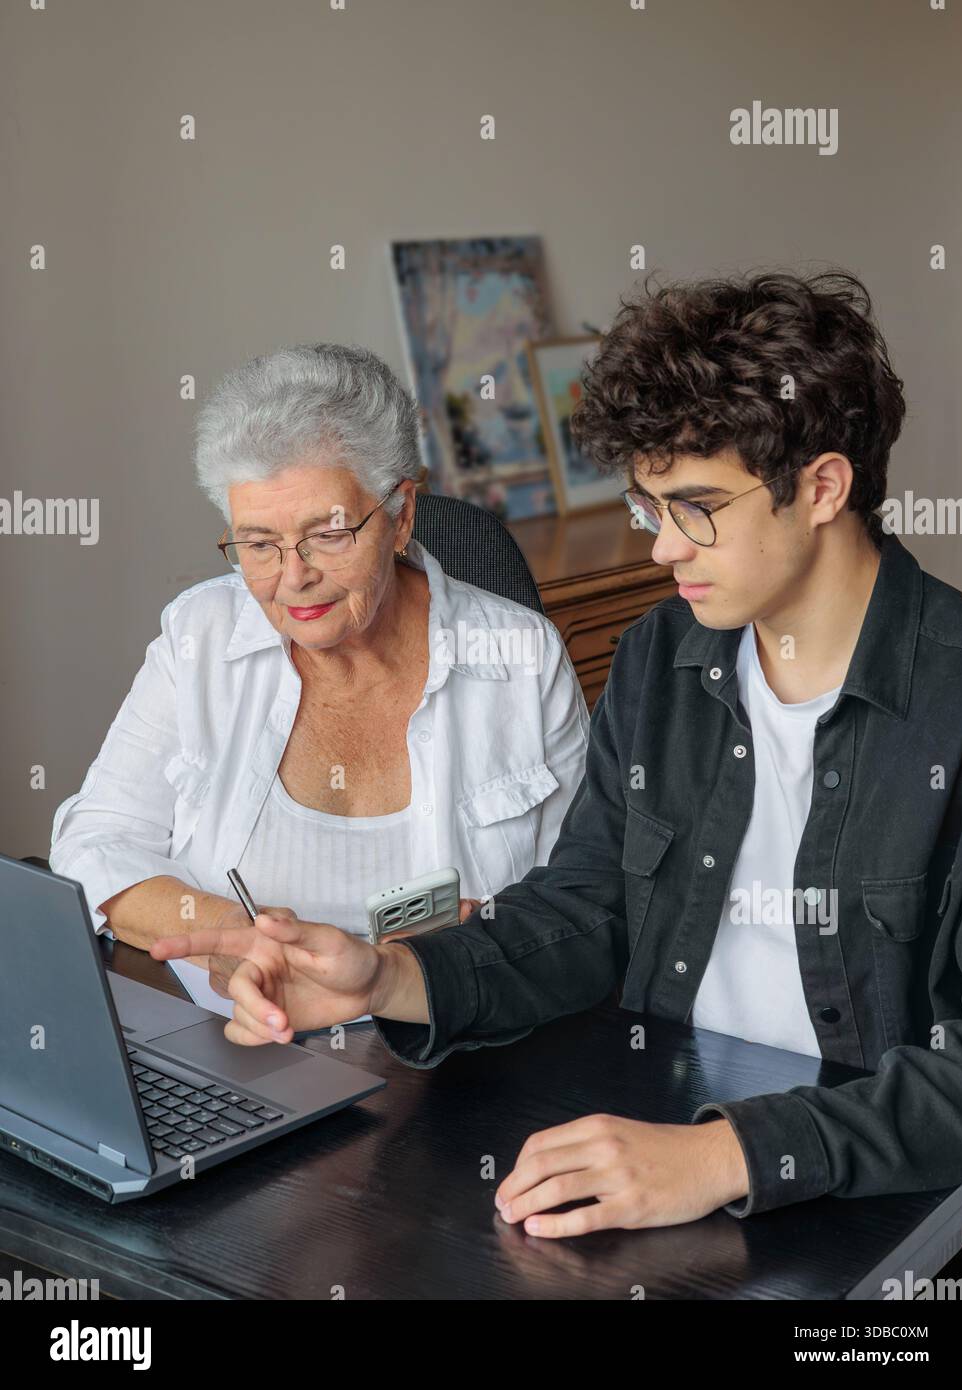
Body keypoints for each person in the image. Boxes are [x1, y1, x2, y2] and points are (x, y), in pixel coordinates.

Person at [154, 271, 962, 1236]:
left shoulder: (959, 707)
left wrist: (725, 1155)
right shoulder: (663, 657)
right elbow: (586, 913)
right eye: (648, 506)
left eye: (696, 506)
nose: (663, 548)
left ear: (824, 487)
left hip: (870, 1196)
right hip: (654, 1132)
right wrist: (386, 977)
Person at [50, 343, 588, 1010]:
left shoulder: (520, 656)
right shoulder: (200, 637)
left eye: (328, 534)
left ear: (401, 516)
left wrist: (462, 951)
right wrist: (236, 938)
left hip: (452, 1045)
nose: (292, 575)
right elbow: (96, 844)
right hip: (236, 1041)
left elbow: (581, 904)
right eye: (257, 542)